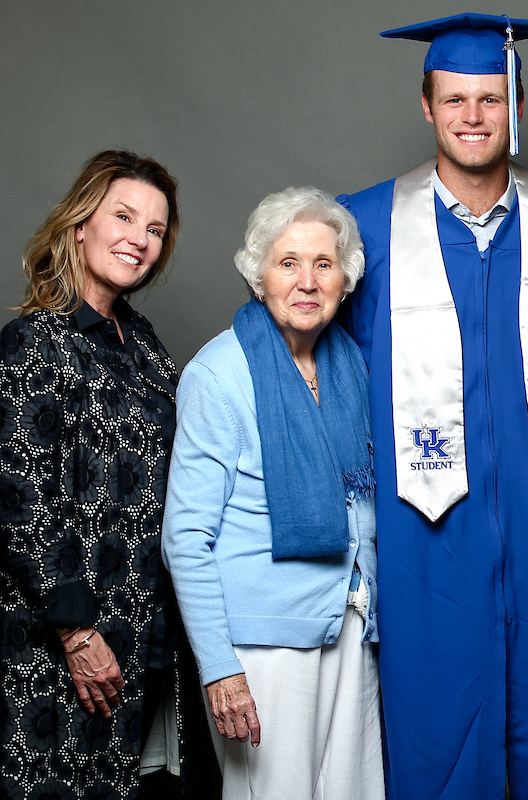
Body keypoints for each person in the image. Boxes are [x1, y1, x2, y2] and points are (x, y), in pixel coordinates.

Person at [336, 12, 528, 799]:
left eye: (491, 98)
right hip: (425, 521)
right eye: (455, 99)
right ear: (426, 106)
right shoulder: (364, 223)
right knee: (436, 717)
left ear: (517, 105)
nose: (473, 116)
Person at [0, 150, 218, 798]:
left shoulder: (142, 342)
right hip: (61, 641)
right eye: (124, 217)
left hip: (145, 634)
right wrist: (75, 633)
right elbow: (20, 499)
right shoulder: (34, 341)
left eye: (155, 229)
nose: (139, 239)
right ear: (79, 226)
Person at [162, 187, 382, 800]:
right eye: (288, 263)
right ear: (259, 277)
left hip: (351, 621)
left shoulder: (352, 364)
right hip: (262, 644)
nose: (307, 281)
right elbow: (185, 537)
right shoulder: (218, 373)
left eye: (323, 264)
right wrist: (219, 667)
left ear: (344, 279)